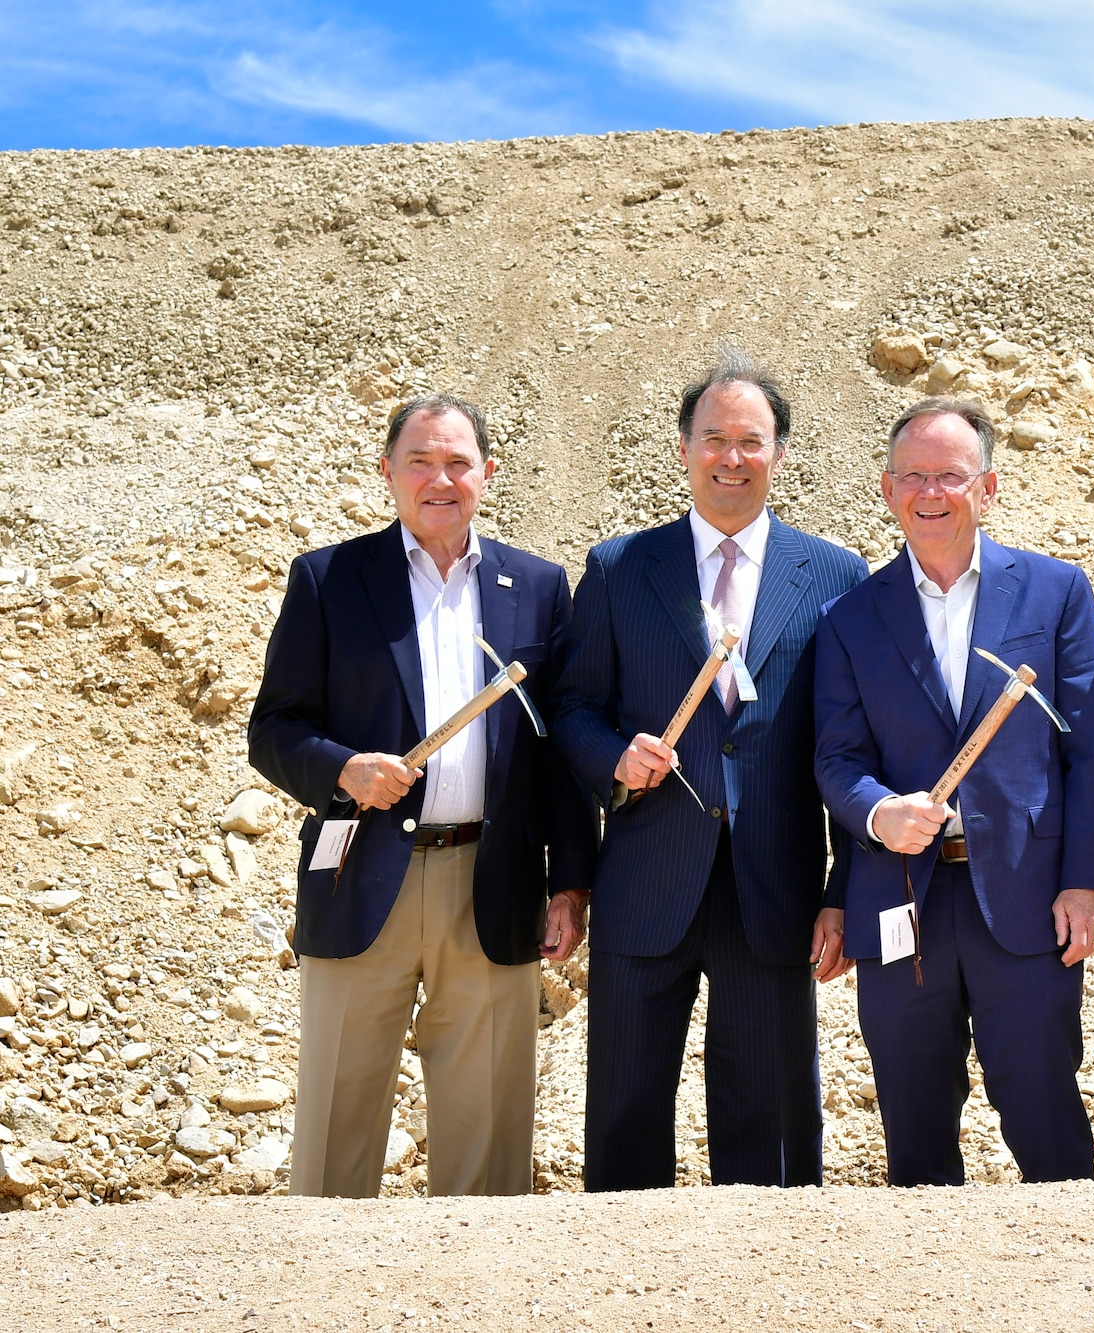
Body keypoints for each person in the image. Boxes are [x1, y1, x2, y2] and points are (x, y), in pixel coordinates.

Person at [248, 393, 596, 1198]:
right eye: (420, 461)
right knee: (339, 1115)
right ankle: (329, 1304)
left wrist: (570, 881)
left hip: (495, 875)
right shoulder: (329, 579)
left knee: (491, 1132)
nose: (440, 479)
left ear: (487, 474)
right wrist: (343, 769)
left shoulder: (538, 586)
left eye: (458, 462)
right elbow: (273, 729)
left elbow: (559, 747)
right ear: (388, 472)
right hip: (363, 873)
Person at [553, 346, 866, 1191]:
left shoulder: (836, 576)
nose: (733, 458)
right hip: (647, 876)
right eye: (715, 438)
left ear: (781, 454)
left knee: (769, 1129)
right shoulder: (621, 568)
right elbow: (572, 707)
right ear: (683, 448)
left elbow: (850, 742)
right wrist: (614, 756)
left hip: (773, 888)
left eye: (752, 441)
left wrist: (842, 890)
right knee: (623, 1112)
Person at [813, 397, 1094, 1187]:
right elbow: (838, 760)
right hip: (900, 900)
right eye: (912, 475)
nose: (930, 492)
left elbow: (1090, 750)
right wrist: (881, 813)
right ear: (886, 490)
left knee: (1045, 1111)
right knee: (913, 1125)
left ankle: (1074, 1282)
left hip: (1027, 899)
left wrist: (1086, 881)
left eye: (950, 474)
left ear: (987, 488)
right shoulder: (848, 617)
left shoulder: (1055, 593)